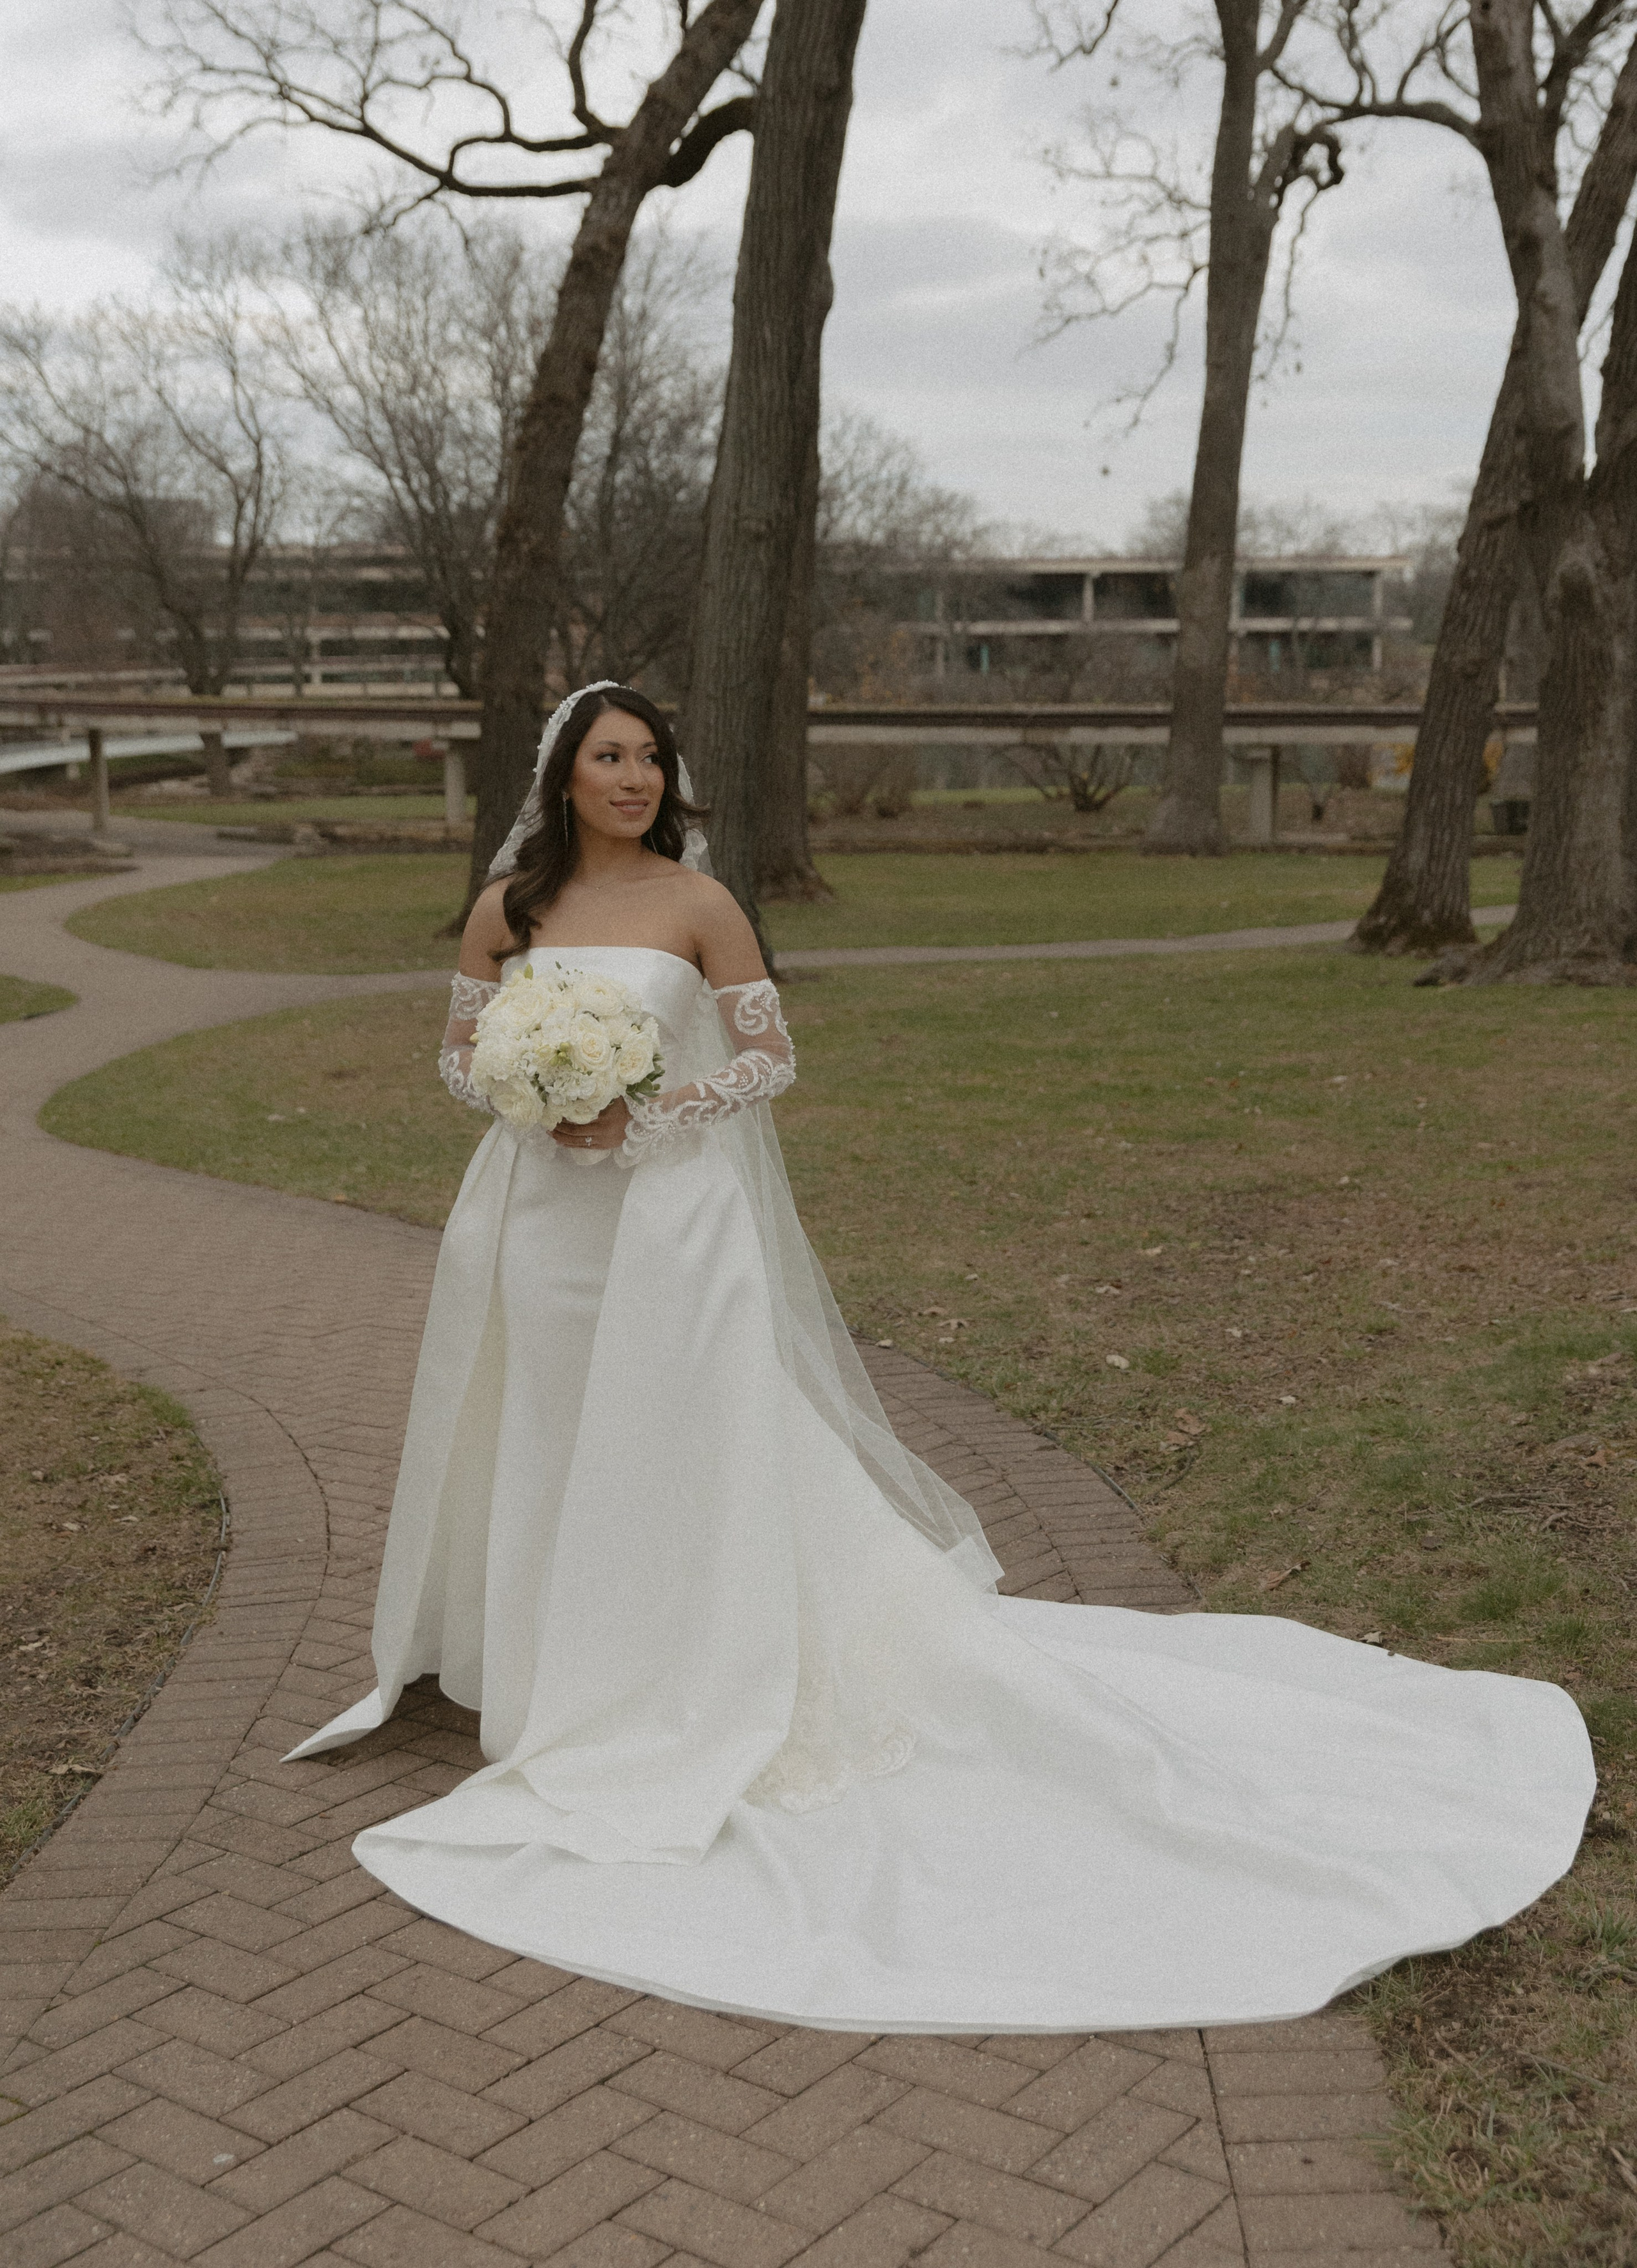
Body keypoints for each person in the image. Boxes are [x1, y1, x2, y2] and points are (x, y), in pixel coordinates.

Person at [288, 682, 1594, 2035]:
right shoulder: (508, 908)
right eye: (608, 757)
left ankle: (680, 1659)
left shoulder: (698, 900)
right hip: (537, 1224)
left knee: (676, 1435)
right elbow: (454, 1056)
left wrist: (642, 1104)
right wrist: (527, 1088)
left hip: (668, 1218)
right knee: (548, 1426)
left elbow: (766, 1054)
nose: (632, 777)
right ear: (561, 772)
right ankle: (551, 1649)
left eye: (650, 758)